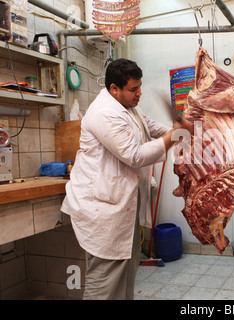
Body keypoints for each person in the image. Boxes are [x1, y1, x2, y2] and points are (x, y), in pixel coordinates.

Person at [61, 58, 193, 300]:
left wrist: (179, 131)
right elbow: (133, 155)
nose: (139, 93)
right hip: (102, 208)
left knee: (126, 271)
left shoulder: (128, 106)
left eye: (140, 86)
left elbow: (150, 126)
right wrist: (174, 137)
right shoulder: (104, 113)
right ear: (114, 88)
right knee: (106, 278)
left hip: (122, 204)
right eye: (133, 89)